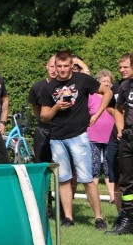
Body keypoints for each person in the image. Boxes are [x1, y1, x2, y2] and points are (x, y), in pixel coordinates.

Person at [39, 50, 112, 229]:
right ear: (54, 66)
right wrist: (56, 107)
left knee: (87, 178)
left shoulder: (83, 80)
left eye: (66, 66)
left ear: (72, 65)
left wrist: (97, 114)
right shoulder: (48, 87)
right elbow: (44, 116)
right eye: (59, 66)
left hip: (79, 136)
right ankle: (68, 218)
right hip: (57, 138)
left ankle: (99, 218)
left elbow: (107, 93)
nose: (62, 70)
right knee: (63, 179)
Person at [105, 53, 133, 231]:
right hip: (128, 139)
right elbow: (118, 109)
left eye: (126, 67)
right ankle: (128, 219)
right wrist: (121, 130)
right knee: (127, 182)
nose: (122, 70)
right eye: (120, 67)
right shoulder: (124, 86)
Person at [88, 70, 116, 203]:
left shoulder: (114, 98)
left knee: (109, 166)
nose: (106, 84)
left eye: (108, 82)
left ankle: (112, 196)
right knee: (93, 167)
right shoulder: (91, 96)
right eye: (103, 82)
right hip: (92, 136)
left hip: (110, 136)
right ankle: (93, 197)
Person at [28, 55, 57, 163]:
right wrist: (43, 118)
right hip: (43, 129)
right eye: (51, 66)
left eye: (56, 67)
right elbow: (35, 108)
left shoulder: (65, 86)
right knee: (41, 162)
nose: (53, 70)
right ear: (47, 66)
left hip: (60, 129)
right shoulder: (37, 87)